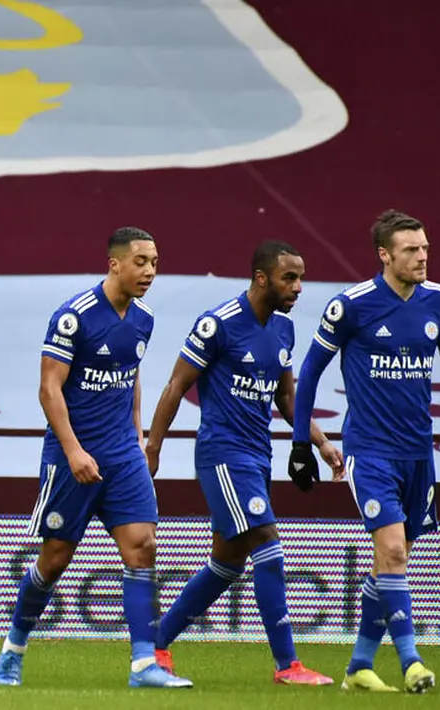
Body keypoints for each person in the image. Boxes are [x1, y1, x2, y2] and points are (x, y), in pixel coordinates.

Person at [289, 210, 440, 693]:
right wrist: (303, 443)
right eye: (410, 249)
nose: (422, 256)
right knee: (394, 550)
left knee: (391, 563)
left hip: (418, 454)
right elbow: (311, 371)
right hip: (370, 451)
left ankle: (359, 665)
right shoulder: (352, 306)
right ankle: (411, 662)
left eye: (424, 247)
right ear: (385, 255)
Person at [0, 227, 192, 689]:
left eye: (155, 263)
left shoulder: (144, 318)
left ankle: (145, 665)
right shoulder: (74, 317)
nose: (149, 272)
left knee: (142, 547)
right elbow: (48, 389)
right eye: (141, 262)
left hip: (123, 456)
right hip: (73, 458)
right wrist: (73, 450)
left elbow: (131, 376)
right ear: (114, 264)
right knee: (56, 557)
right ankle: (13, 650)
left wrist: (139, 436)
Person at [145, 240, 341, 686]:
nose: (298, 287)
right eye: (289, 278)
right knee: (269, 547)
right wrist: (153, 447)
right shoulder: (219, 325)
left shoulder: (284, 329)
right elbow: (176, 385)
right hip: (223, 455)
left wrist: (321, 443)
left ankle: (156, 645)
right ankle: (288, 666)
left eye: (301, 278)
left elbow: (288, 398)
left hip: (257, 457)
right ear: (261, 278)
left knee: (227, 564)